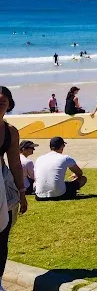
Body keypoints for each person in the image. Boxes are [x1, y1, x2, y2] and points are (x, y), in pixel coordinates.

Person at [0, 86, 27, 282]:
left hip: (4, 185)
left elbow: (16, 163)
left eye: (5, 97)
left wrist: (22, 192)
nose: (1, 99)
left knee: (3, 235)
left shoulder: (10, 131)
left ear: (9, 104)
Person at [34, 136, 87, 201]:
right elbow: (79, 173)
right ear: (62, 146)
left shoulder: (40, 158)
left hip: (39, 195)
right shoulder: (65, 158)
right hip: (59, 194)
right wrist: (75, 175)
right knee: (83, 179)